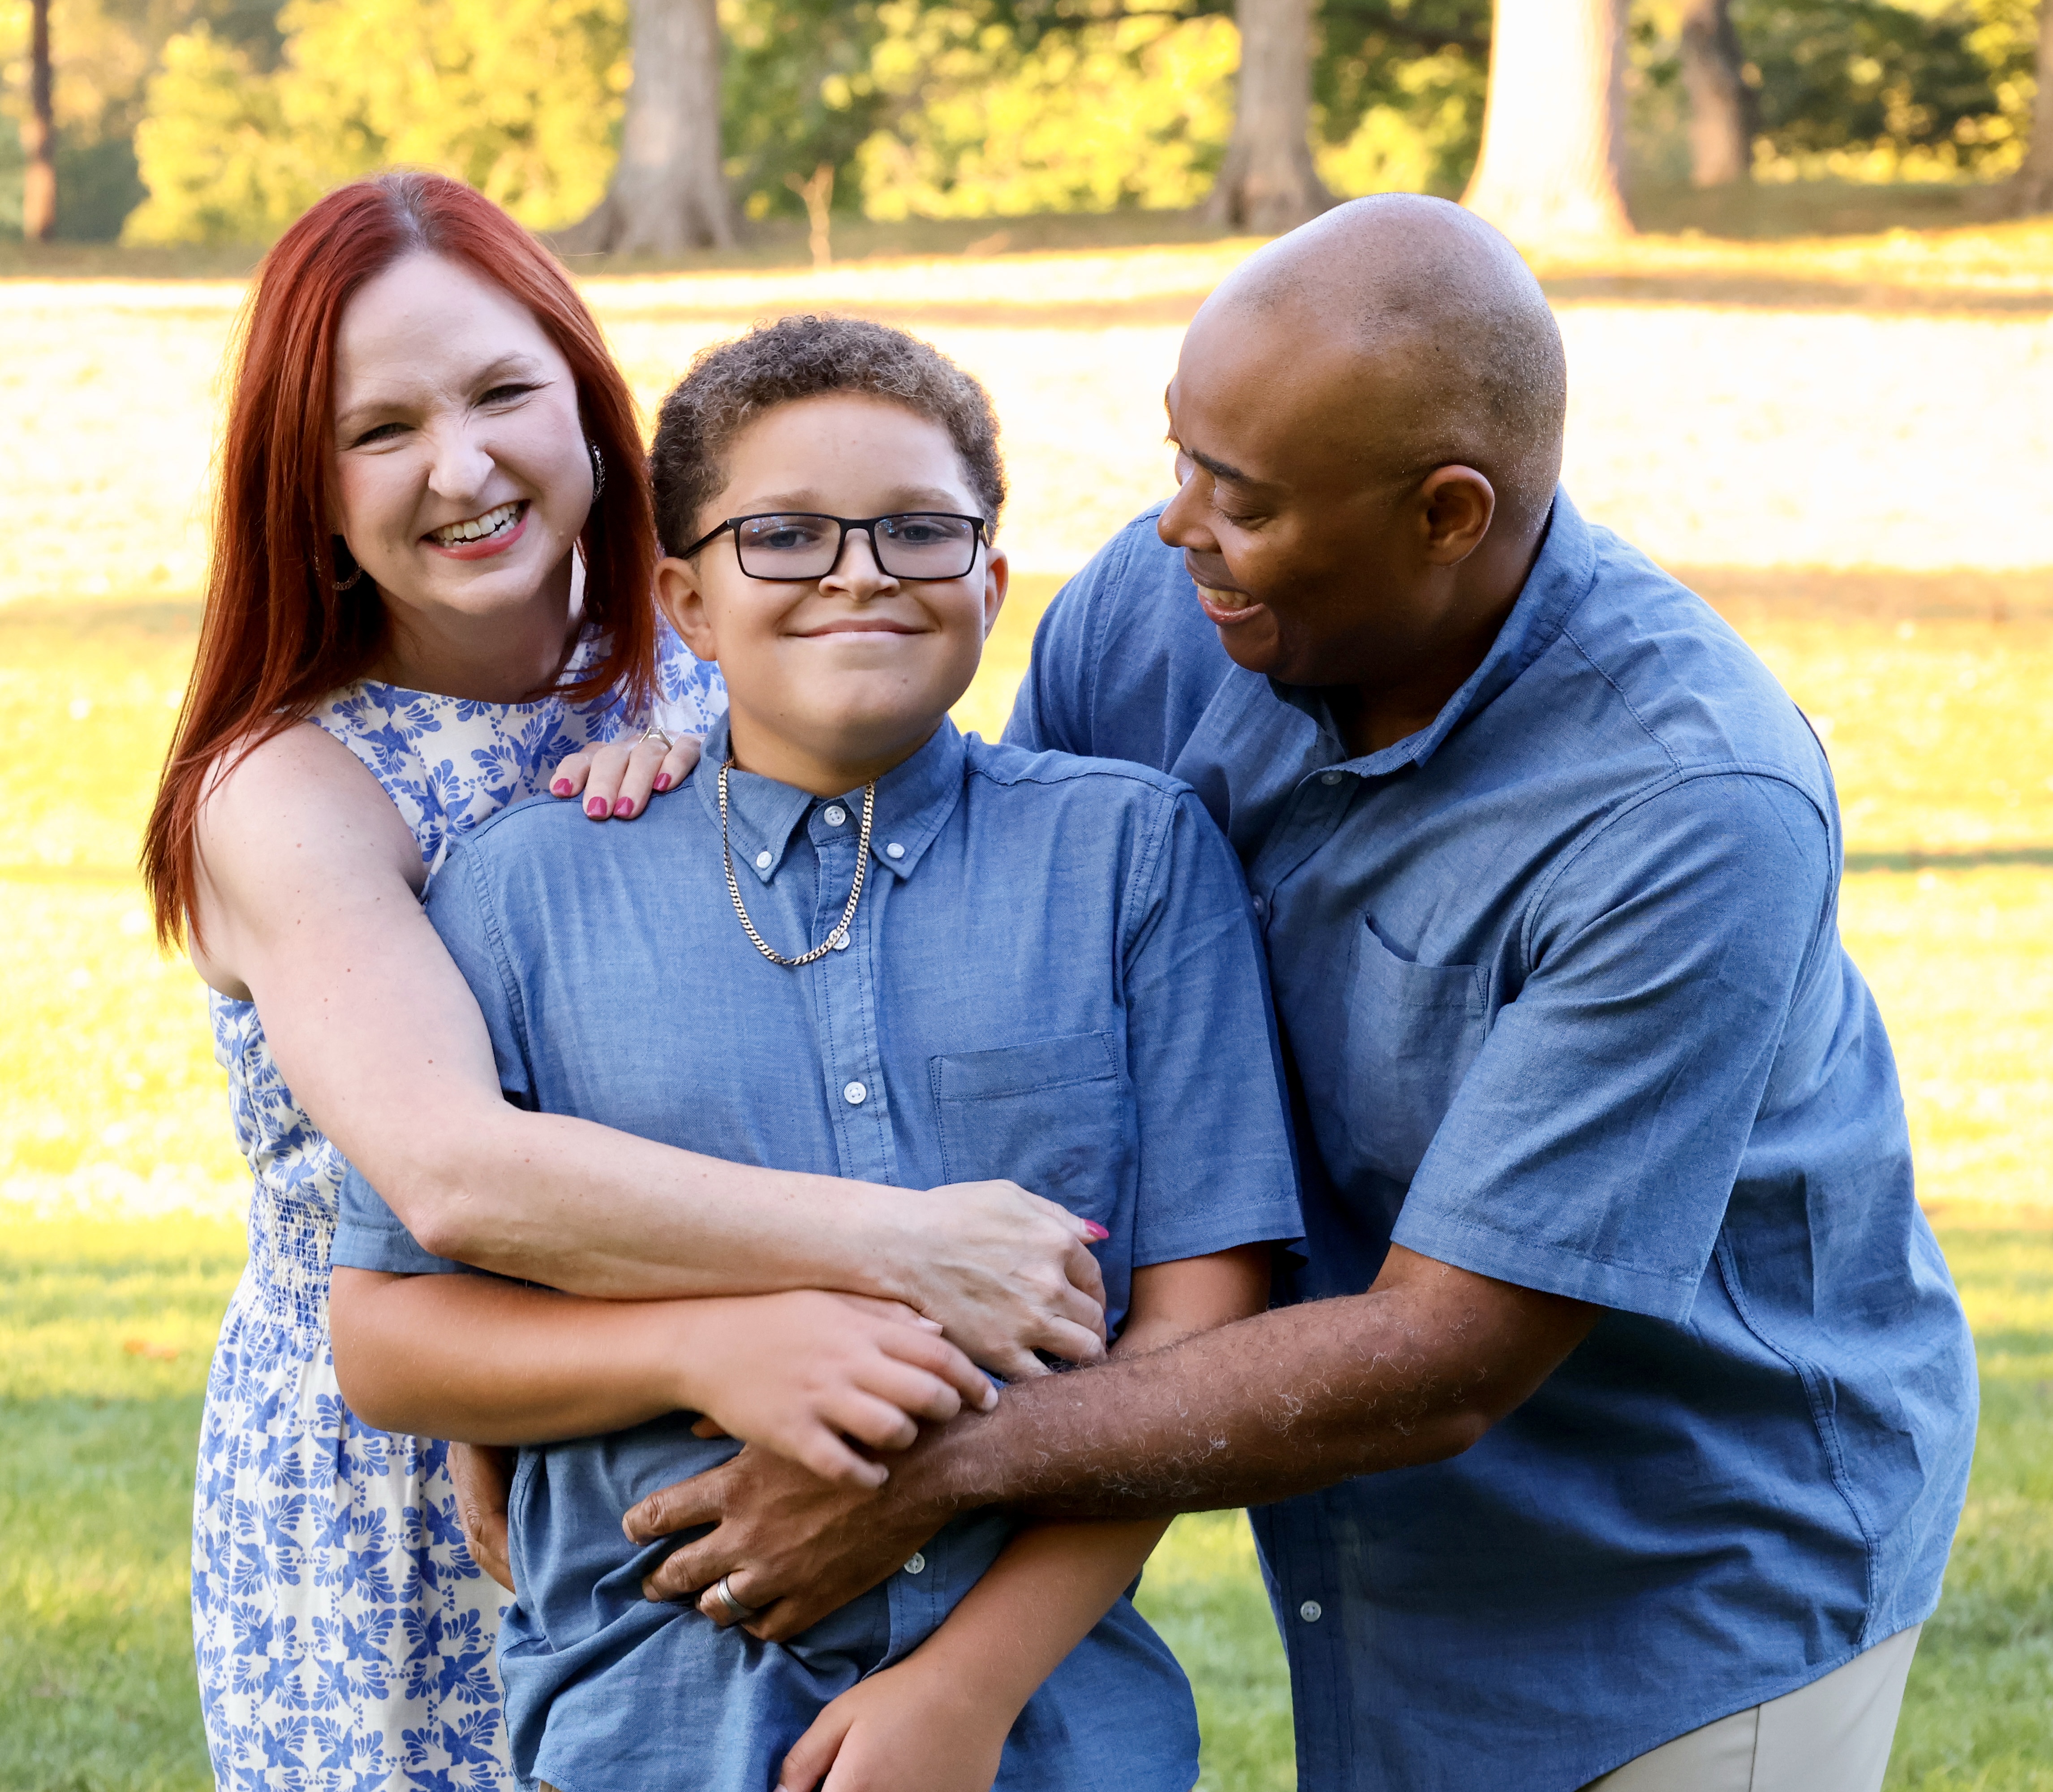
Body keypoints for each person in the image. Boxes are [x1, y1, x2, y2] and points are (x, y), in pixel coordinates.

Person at [615, 197, 1980, 1792]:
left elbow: (1442, 1359)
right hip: (1344, 1517)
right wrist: (695, 765)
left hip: (1681, 1568)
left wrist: (929, 1472)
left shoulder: (1686, 809)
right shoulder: (1166, 610)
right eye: (1181, 456)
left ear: (1447, 514)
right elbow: (960, 930)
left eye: (1242, 500)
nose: (1178, 524)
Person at [142, 177, 1108, 1792]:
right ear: (304, 494)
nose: (463, 465)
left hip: (764, 1438)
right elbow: (453, 1171)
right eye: (378, 431)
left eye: (505, 392)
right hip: (424, 1479)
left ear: (593, 417)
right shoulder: (289, 789)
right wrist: (905, 1249)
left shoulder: (713, 654)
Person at [325, 314, 1304, 1792]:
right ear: (686, 600)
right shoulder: (525, 892)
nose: (859, 571)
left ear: (991, 574)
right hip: (647, 1721)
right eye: (782, 536)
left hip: (1046, 1734)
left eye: (919, 530)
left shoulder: (1134, 856)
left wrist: (964, 1694)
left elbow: (1202, 1331)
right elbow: (393, 1338)